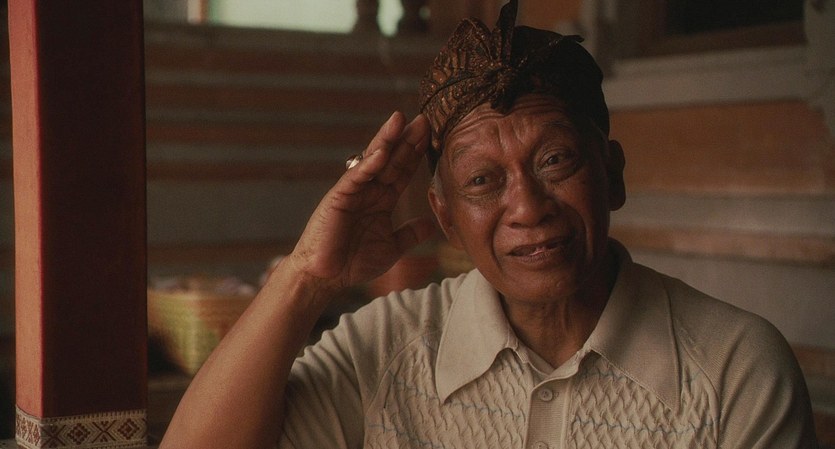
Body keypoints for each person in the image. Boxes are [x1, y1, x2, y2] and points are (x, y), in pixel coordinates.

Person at [160, 1, 818, 448]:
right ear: (444, 215)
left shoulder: (735, 368)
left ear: (611, 173)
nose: (528, 208)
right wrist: (307, 277)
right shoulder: (387, 346)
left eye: (555, 161)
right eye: (483, 180)